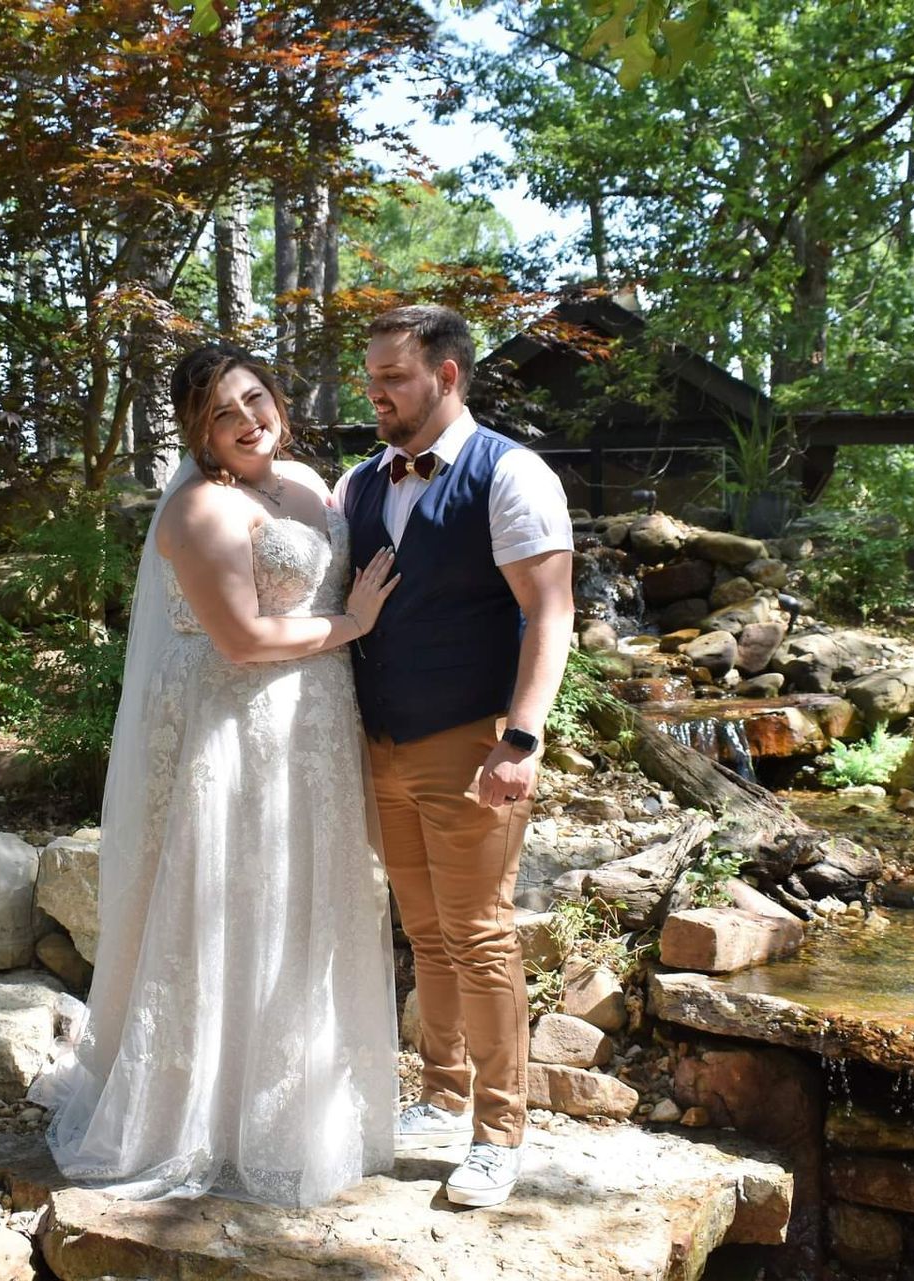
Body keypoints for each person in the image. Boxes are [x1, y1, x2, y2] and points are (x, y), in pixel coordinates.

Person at [30, 345, 402, 1207]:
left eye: (256, 399)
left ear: (278, 398)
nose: (248, 422)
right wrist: (352, 621)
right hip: (233, 725)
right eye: (223, 415)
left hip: (313, 723)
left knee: (307, 899)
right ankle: (207, 1118)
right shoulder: (200, 508)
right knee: (233, 901)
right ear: (198, 432)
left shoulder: (310, 483)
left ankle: (302, 1108)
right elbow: (239, 637)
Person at [337, 305, 575, 1209]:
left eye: (392, 378)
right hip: (383, 741)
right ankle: (439, 1096)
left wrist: (522, 736)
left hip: (473, 739)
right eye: (371, 379)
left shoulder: (510, 472)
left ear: (445, 376)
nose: (377, 394)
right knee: (424, 930)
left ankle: (499, 1131)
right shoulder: (361, 482)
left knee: (479, 936)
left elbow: (550, 612)